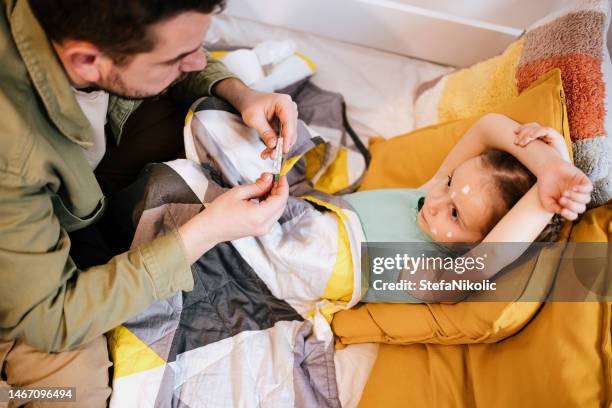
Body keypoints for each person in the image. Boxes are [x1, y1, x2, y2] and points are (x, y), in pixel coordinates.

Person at [0, 1, 295, 406]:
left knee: (200, 117)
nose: (197, 62)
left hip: (62, 201)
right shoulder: (13, 161)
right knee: (70, 394)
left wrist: (240, 92)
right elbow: (50, 318)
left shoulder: (90, 34)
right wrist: (208, 230)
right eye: (177, 58)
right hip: (32, 296)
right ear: (86, 60)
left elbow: (174, 61)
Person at [343, 113, 592, 302]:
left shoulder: (422, 270)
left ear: (479, 243)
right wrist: (549, 163)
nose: (433, 204)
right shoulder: (429, 193)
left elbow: (491, 257)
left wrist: (557, 191)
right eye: (450, 182)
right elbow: (487, 127)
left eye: (454, 215)